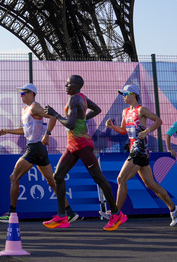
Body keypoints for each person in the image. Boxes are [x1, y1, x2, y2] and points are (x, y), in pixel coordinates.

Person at [42, 75, 121, 230]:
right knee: (58, 176)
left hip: (82, 145)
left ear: (76, 85)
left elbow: (70, 125)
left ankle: (117, 214)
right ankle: (62, 216)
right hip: (72, 145)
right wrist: (82, 120)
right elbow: (97, 109)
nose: (65, 85)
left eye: (68, 83)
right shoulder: (81, 98)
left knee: (99, 178)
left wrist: (55, 114)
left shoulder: (74, 100)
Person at [0, 83, 77, 223]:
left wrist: (47, 134)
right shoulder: (25, 110)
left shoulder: (35, 106)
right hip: (38, 149)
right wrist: (8, 131)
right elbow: (24, 130)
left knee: (14, 177)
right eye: (20, 93)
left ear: (31, 93)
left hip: (35, 148)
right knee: (52, 181)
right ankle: (69, 211)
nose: (21, 96)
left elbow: (53, 117)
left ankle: (12, 214)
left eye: (23, 93)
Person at [104, 84, 177, 226]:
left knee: (121, 179)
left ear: (133, 95)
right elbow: (123, 131)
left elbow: (158, 121)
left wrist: (147, 131)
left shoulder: (141, 110)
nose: (123, 96)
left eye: (126, 93)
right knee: (151, 184)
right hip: (135, 150)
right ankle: (174, 208)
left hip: (139, 150)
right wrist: (112, 127)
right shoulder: (125, 112)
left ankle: (116, 214)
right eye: (122, 94)